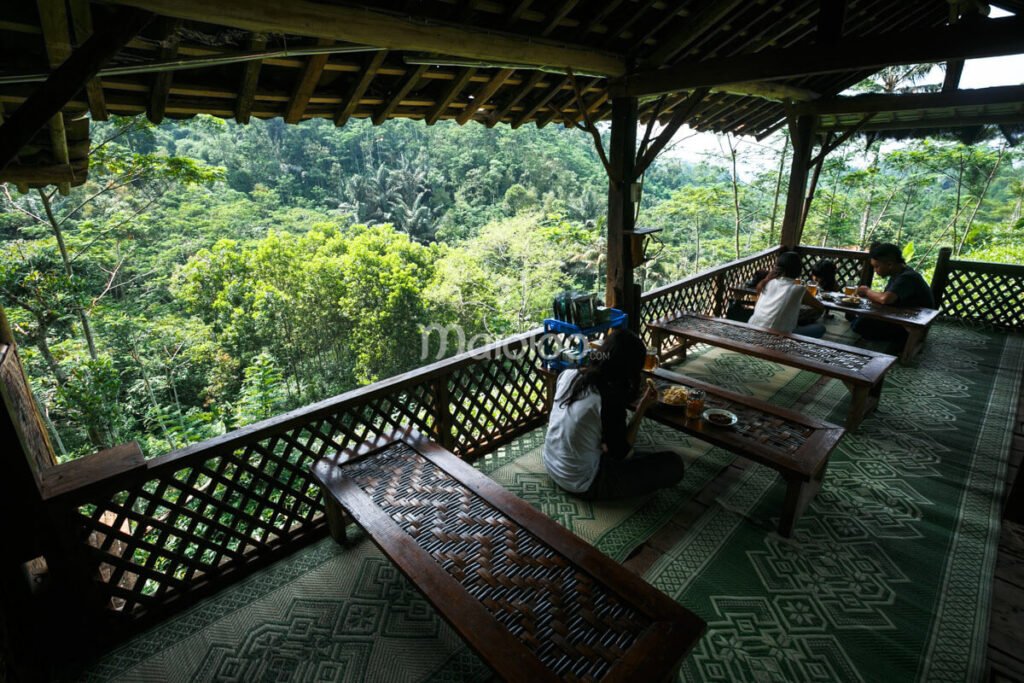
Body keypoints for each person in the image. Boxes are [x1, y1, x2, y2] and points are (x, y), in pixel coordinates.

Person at [542, 329, 685, 500]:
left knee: (614, 442)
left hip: (552, 463)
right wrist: (641, 408)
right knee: (673, 464)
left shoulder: (569, 374)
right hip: (583, 482)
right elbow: (621, 454)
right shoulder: (606, 400)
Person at [852, 243, 935, 344]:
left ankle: (895, 345)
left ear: (890, 264)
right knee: (855, 316)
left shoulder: (908, 277)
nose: (875, 270)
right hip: (902, 316)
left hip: (911, 325)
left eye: (877, 266)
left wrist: (866, 291)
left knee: (860, 324)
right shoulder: (897, 274)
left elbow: (885, 299)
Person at [747, 251, 827, 338]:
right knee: (820, 328)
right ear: (798, 269)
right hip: (774, 336)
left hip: (752, 329)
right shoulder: (798, 289)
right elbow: (820, 307)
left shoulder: (768, 282)